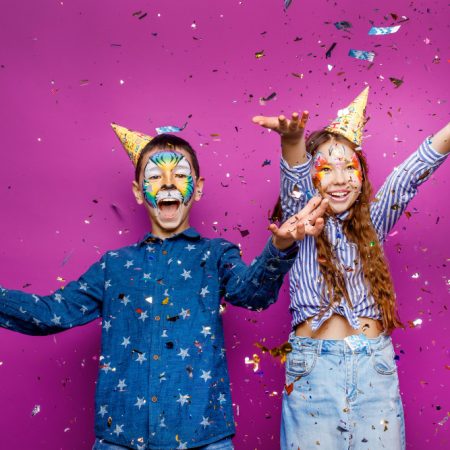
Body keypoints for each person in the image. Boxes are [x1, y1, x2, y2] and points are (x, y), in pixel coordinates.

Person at [0, 124, 328, 450]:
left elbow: (253, 294)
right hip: (121, 440)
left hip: (204, 439)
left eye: (179, 175)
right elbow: (49, 314)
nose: (168, 184)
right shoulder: (113, 265)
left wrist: (281, 246)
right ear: (139, 191)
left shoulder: (216, 255)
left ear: (197, 188)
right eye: (155, 177)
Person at [253, 87, 449, 450]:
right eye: (326, 169)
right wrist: (293, 142)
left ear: (362, 176)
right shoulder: (302, 225)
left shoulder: (373, 222)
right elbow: (295, 184)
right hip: (314, 374)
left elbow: (409, 176)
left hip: (374, 370)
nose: (340, 179)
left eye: (349, 168)